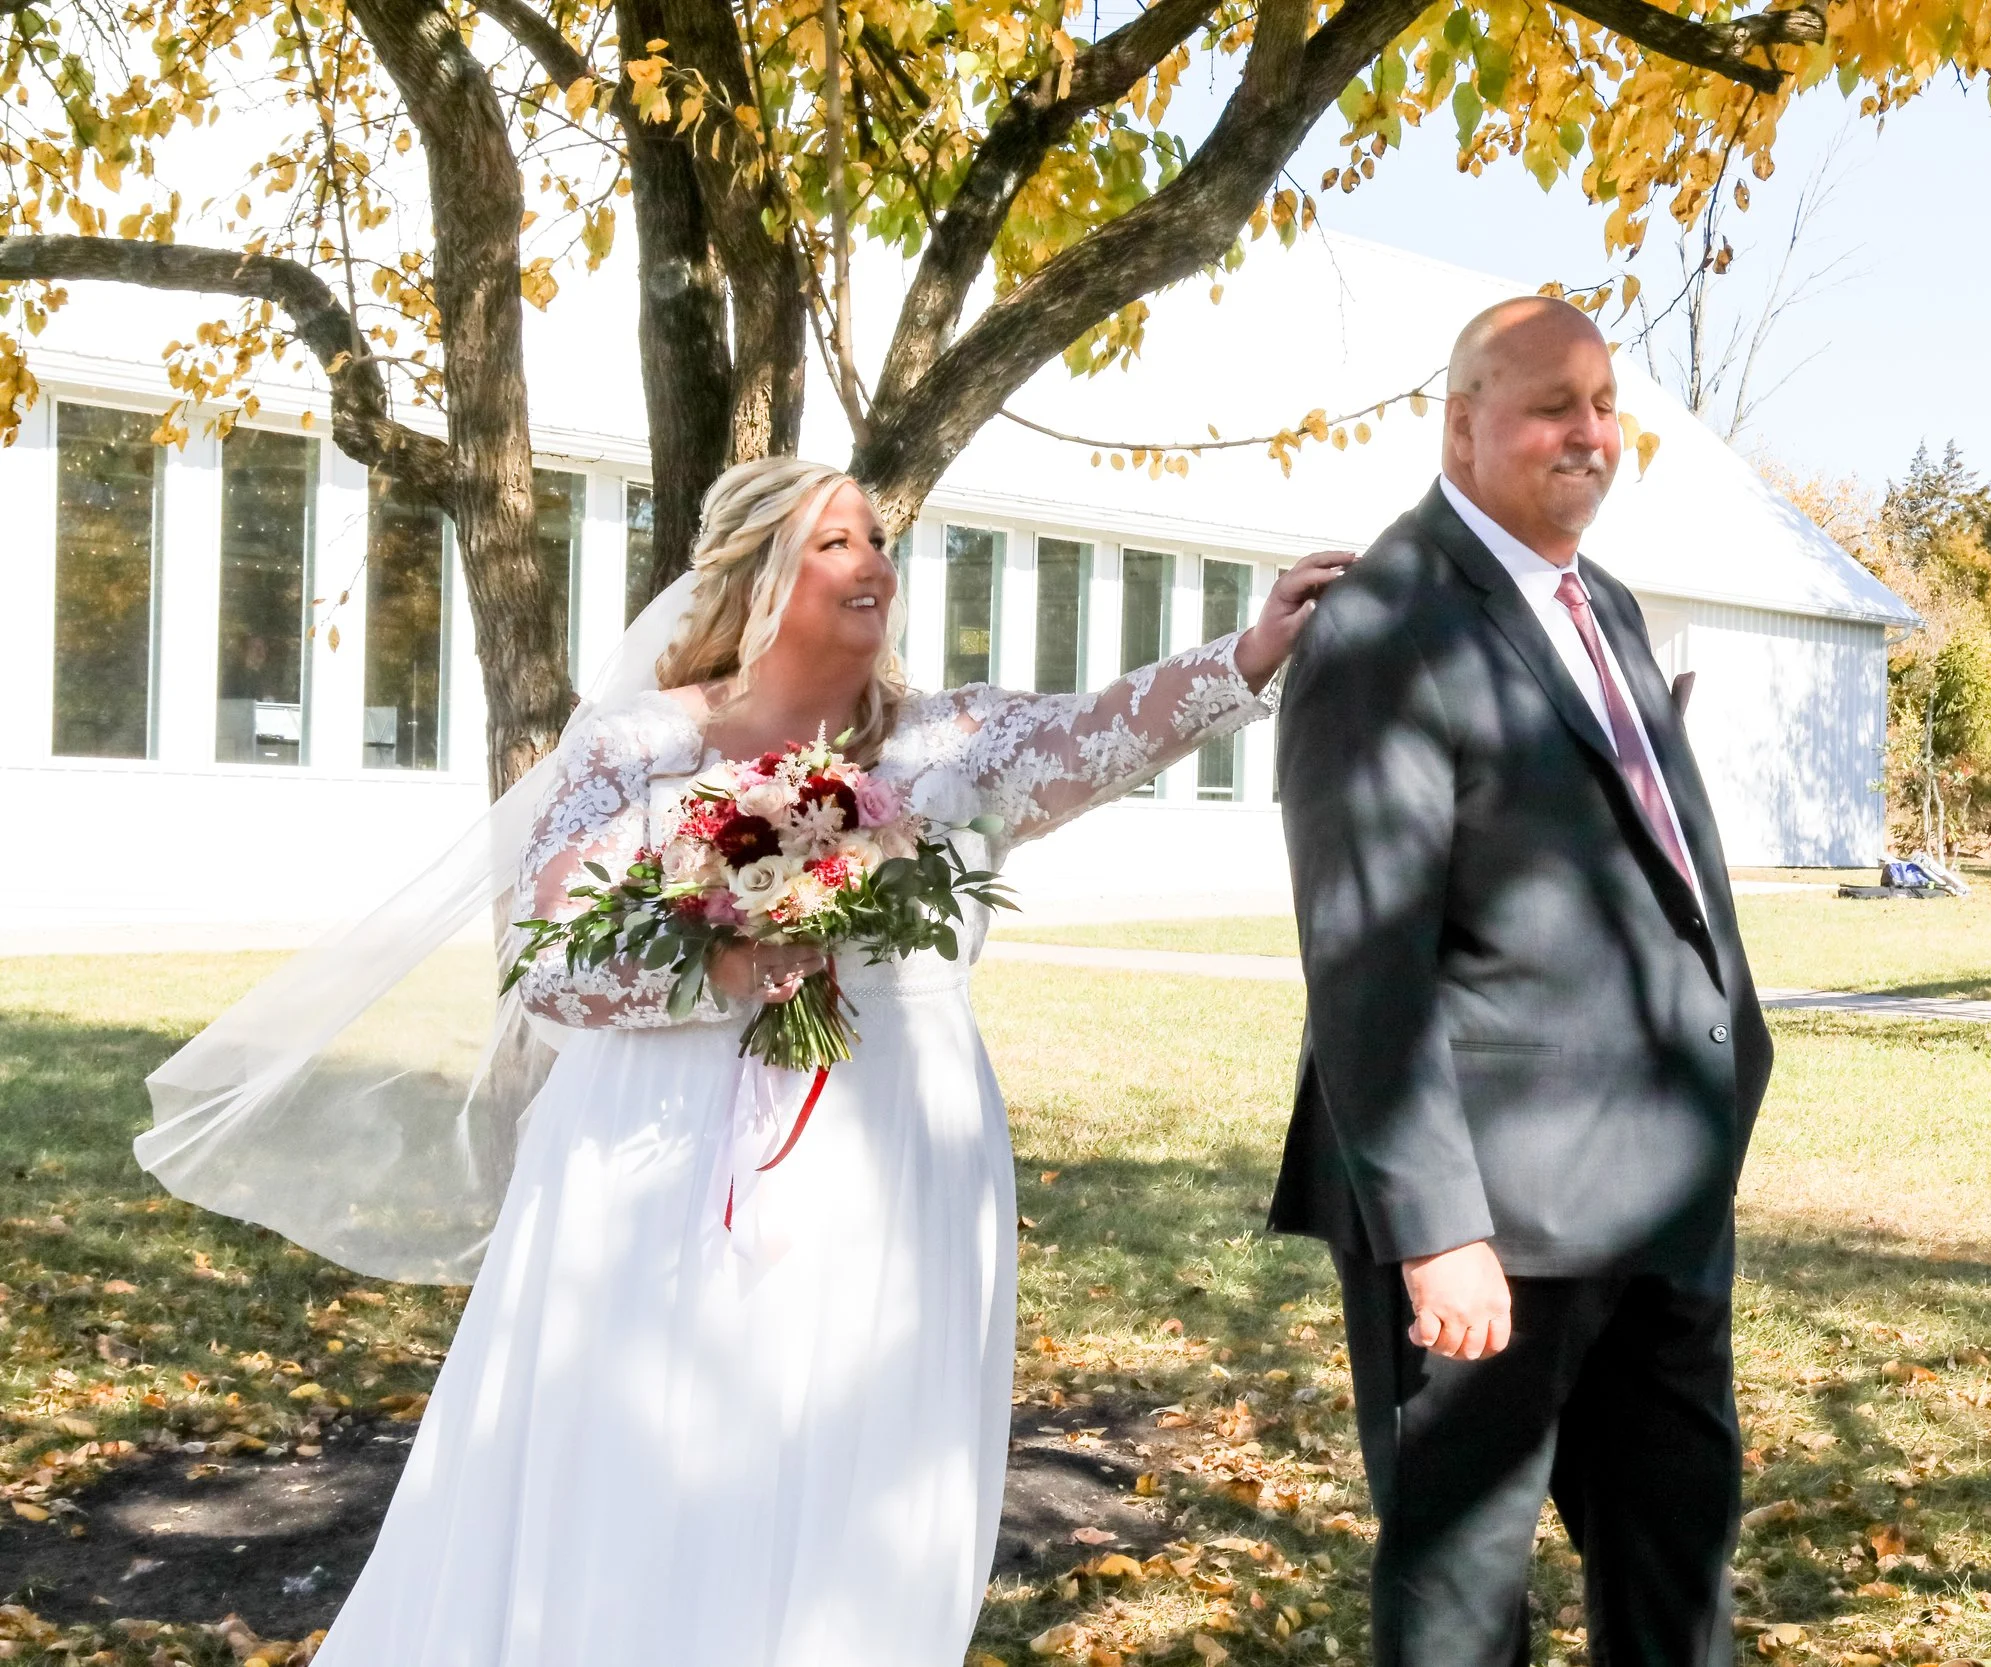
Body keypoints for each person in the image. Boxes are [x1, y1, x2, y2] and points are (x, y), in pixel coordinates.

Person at [143, 456, 1350, 1667]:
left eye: (875, 536)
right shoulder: (642, 743)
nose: (872, 561)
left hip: (902, 1134)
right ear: (758, 573)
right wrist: (714, 964)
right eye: (834, 542)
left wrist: (1249, 652)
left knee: (866, 1440)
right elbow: (549, 956)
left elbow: (1099, 731)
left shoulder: (951, 740)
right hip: (661, 1144)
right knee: (652, 1441)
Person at [1270, 296, 1774, 1667]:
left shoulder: (1594, 600)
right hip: (1492, 1225)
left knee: (1678, 1569)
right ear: (1463, 420)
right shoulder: (1386, 624)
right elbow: (1366, 957)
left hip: (1659, 1195)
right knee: (1461, 1602)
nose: (1590, 434)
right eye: (1554, 405)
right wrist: (1438, 1229)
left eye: (1606, 405)